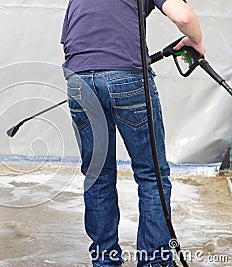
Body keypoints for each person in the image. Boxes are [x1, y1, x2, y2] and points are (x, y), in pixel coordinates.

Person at [61, 0, 205, 266]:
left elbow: (68, 49)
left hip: (79, 80)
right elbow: (183, 17)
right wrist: (195, 40)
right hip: (128, 78)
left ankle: (105, 261)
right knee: (152, 176)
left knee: (97, 176)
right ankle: (154, 261)